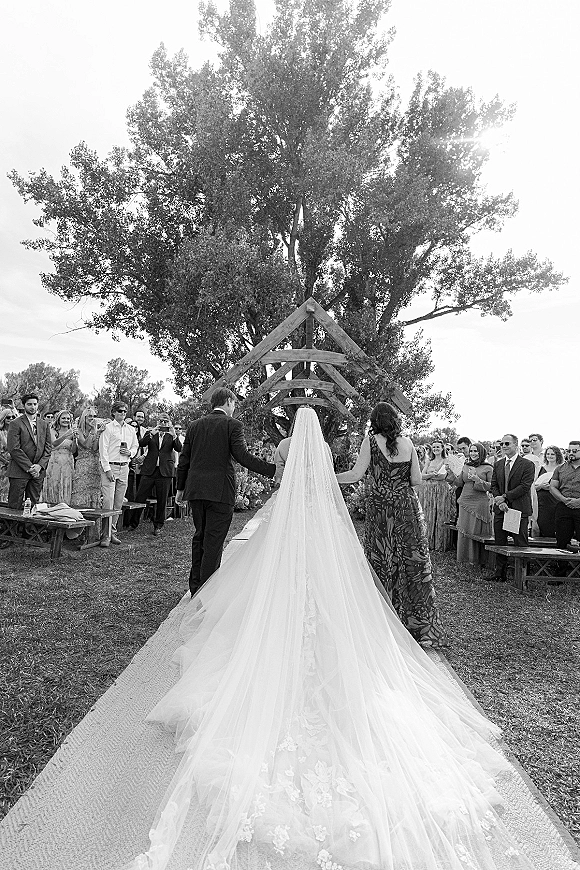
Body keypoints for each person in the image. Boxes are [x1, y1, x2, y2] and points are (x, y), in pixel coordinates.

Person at [124, 407, 538, 870]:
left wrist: (319, 476)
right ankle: (395, 622)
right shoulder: (367, 449)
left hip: (313, 515)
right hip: (373, 515)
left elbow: (344, 474)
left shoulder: (297, 450)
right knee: (360, 578)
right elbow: (414, 482)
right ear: (318, 432)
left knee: (283, 576)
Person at [336, 402, 444, 648]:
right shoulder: (408, 443)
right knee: (412, 562)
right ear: (395, 420)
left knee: (383, 560)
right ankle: (419, 627)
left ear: (374, 421)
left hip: (382, 508)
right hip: (406, 507)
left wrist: (329, 476)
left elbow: (355, 474)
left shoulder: (371, 441)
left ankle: (384, 623)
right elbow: (416, 480)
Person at [175, 387, 276, 597]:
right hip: (220, 493)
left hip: (196, 491)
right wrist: (273, 470)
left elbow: (184, 460)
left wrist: (180, 488)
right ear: (228, 401)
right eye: (234, 404)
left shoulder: (194, 426)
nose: (234, 408)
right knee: (213, 542)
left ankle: (195, 588)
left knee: (200, 537)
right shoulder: (233, 425)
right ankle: (205, 594)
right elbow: (242, 456)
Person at [487, 434, 534, 582]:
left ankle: (522, 576)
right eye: (502, 444)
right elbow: (493, 485)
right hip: (501, 508)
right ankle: (499, 574)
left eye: (507, 443)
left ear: (516, 444)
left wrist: (505, 496)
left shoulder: (527, 465)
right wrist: (500, 501)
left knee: (520, 543)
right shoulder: (498, 464)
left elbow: (525, 486)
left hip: (518, 509)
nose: (504, 446)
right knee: (500, 542)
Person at [128, 413, 182, 536]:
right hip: (149, 470)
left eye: (165, 421)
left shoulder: (171, 435)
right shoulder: (151, 432)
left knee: (162, 499)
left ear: (169, 423)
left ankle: (158, 525)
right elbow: (141, 443)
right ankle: (133, 523)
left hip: (164, 472)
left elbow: (179, 448)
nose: (163, 424)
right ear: (157, 421)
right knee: (140, 497)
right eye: (161, 421)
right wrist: (152, 433)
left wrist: (174, 435)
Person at [98, 402, 139, 546]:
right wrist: (107, 469)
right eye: (120, 411)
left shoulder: (130, 429)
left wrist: (131, 453)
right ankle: (105, 535)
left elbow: (135, 445)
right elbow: (103, 450)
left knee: (118, 502)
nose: (123, 413)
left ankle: (112, 532)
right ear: (113, 412)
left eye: (125, 411)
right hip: (111, 466)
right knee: (108, 502)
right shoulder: (108, 428)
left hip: (125, 467)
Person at [446, 442, 493, 564]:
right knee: (464, 527)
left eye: (476, 451)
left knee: (476, 529)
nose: (473, 453)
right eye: (471, 451)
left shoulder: (488, 467)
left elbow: (492, 486)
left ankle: (478, 558)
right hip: (465, 500)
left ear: (481, 452)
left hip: (479, 501)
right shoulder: (466, 466)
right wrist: (450, 473)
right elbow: (459, 482)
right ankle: (464, 557)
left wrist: (477, 480)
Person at [6, 394, 52, 510]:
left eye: (35, 404)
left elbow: (47, 449)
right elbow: (14, 449)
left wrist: (39, 466)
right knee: (14, 507)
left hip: (38, 473)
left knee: (34, 507)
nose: (33, 407)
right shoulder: (15, 423)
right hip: (19, 471)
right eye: (29, 404)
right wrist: (30, 467)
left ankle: (30, 529)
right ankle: (13, 529)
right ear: (24, 405)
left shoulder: (44, 424)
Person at [70, 407, 106, 508]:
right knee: (80, 490)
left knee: (94, 492)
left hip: (95, 465)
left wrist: (98, 433)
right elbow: (86, 445)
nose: (92, 418)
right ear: (84, 417)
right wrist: (93, 431)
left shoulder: (96, 430)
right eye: (90, 416)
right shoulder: (79, 430)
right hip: (83, 465)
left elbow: (94, 448)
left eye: (94, 416)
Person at [549, 441, 580, 556]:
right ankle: (561, 570)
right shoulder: (560, 469)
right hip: (563, 506)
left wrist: (578, 502)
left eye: (575, 451)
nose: (571, 453)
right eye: (569, 451)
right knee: (562, 539)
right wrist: (564, 499)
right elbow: (553, 487)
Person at [43, 410, 77, 504]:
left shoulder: (72, 432)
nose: (66, 420)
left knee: (65, 484)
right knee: (54, 484)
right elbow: (54, 443)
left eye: (68, 418)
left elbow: (73, 450)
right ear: (58, 419)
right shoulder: (53, 431)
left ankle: (64, 506)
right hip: (54, 462)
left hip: (67, 462)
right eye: (63, 418)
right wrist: (67, 434)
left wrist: (74, 439)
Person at [534, 445, 564, 537]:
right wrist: (541, 486)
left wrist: (553, 487)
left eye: (552, 454)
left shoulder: (562, 468)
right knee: (542, 522)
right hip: (542, 501)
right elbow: (533, 486)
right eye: (548, 454)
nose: (549, 456)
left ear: (557, 455)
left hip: (556, 500)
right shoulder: (540, 468)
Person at [0, 407, 18, 501]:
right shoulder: (1, 433)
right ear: (3, 418)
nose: (11, 419)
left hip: (16, 465)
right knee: (3, 487)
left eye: (13, 417)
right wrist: (6, 462)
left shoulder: (17, 433)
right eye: (8, 417)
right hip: (3, 465)